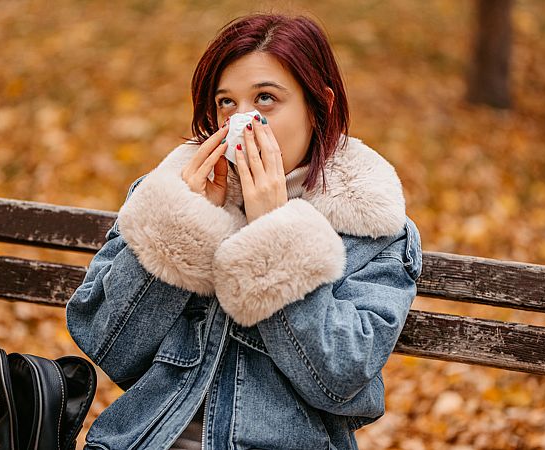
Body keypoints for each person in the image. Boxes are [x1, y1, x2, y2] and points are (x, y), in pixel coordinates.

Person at [66, 12, 422, 450]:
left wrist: (275, 232)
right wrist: (183, 221)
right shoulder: (172, 191)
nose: (242, 122)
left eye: (266, 98)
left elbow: (341, 380)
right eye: (227, 103)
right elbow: (106, 342)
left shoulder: (371, 223)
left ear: (320, 107)